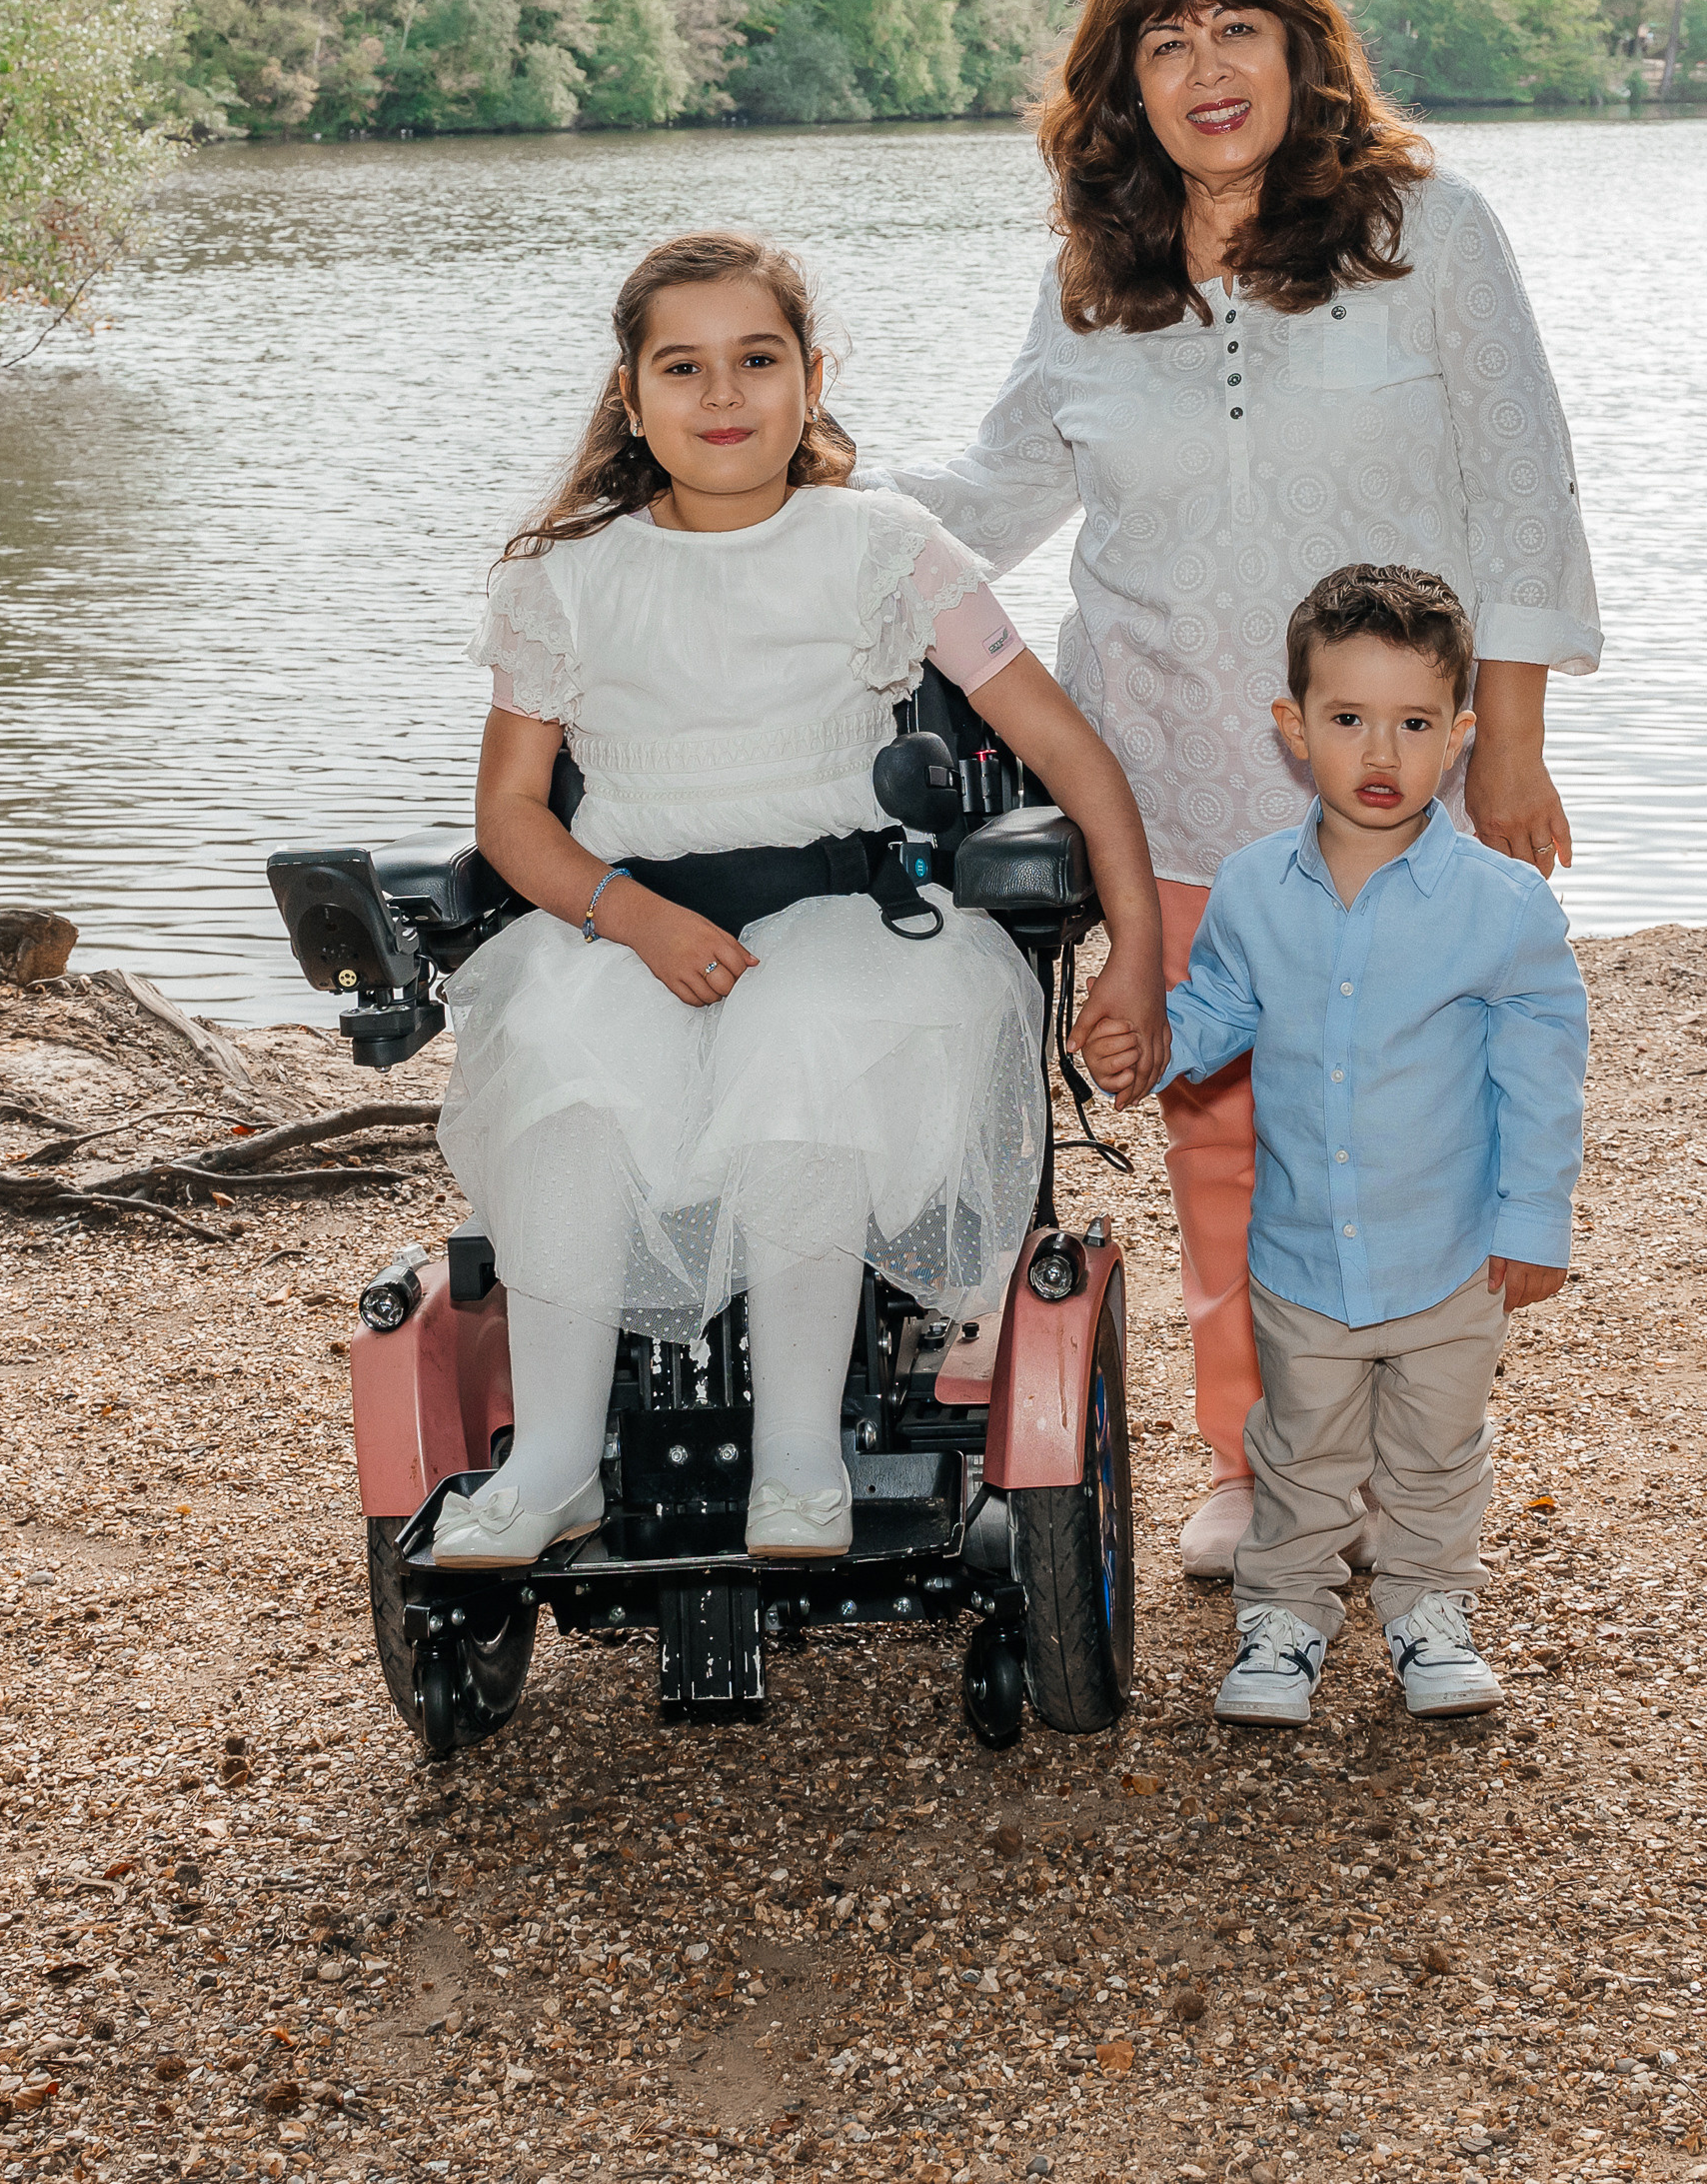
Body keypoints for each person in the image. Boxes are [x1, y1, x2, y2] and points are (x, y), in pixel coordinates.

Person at [868, 0, 1600, 1575]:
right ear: (1123, 83)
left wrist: (1509, 736)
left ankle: (1402, 1464)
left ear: (1299, 48)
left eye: (1237, 30)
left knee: (1408, 1122)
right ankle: (1254, 1463)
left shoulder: (1429, 232)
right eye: (1167, 40)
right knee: (1220, 1134)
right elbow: (992, 493)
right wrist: (784, 497)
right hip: (1169, 777)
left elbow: (1521, 489)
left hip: (1387, 784)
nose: (1207, 69)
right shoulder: (1094, 286)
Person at [430, 229, 1167, 1571]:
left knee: (802, 1050)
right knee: (560, 1079)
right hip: (630, 922)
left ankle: (797, 1461)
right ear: (630, 395)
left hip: (844, 922)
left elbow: (1069, 752)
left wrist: (1136, 950)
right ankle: (550, 1464)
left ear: (811, 378)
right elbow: (511, 817)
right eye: (683, 367)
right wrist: (626, 915)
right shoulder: (564, 576)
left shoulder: (882, 546)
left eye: (756, 360)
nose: (722, 395)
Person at [1081, 563, 1587, 1727]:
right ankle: (1284, 1618)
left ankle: (1428, 1610)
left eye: (1413, 722)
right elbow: (1219, 1009)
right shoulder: (1252, 887)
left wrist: (1532, 1221)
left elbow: (1540, 1080)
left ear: (1459, 735)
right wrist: (1149, 1045)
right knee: (1297, 1446)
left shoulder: (1503, 906)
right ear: (1293, 726)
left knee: (1434, 1450)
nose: (1380, 750)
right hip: (1303, 1251)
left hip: (1448, 1253)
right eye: (1348, 717)